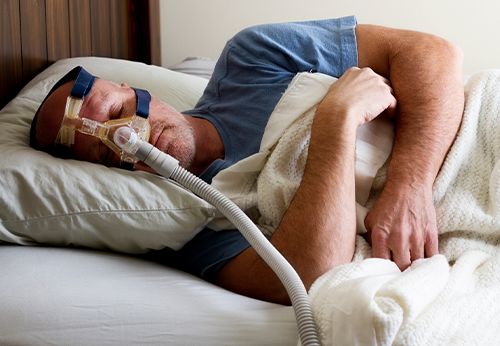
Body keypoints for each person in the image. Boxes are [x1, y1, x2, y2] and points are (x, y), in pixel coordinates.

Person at [30, 16, 464, 304]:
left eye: (117, 112)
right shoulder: (191, 227)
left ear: (129, 87)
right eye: (105, 149)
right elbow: (310, 275)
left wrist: (410, 184)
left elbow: (432, 53)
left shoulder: (253, 59)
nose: (130, 137)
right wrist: (336, 118)